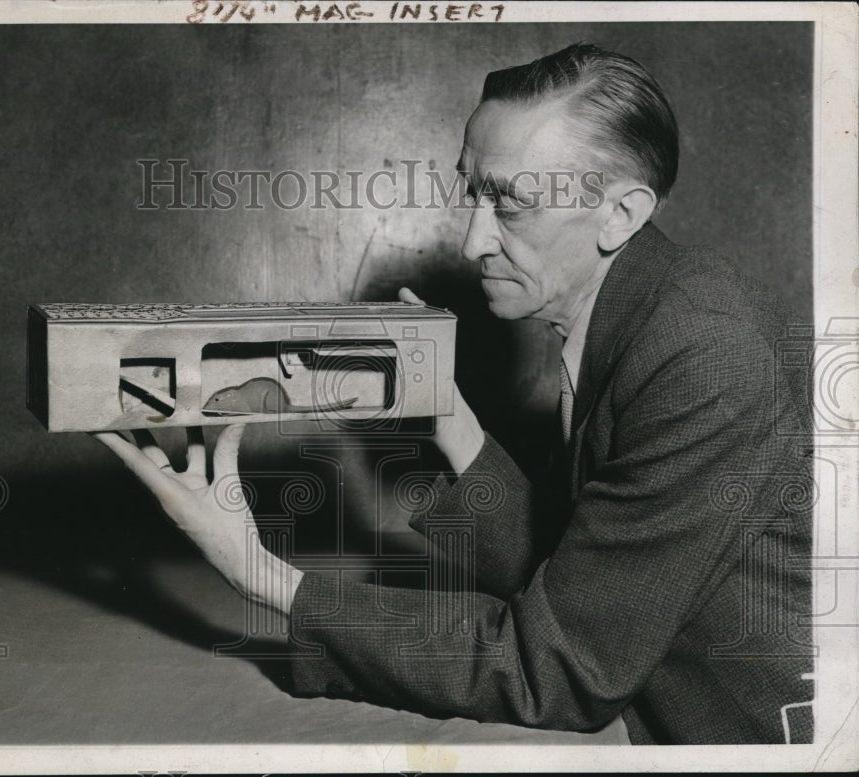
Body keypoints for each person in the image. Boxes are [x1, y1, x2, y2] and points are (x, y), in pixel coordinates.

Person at [95, 44, 813, 745]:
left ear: (620, 214)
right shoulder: (644, 310)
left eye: (511, 204)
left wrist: (263, 574)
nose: (472, 242)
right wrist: (448, 415)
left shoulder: (701, 356)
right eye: (474, 191)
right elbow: (571, 583)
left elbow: (556, 670)